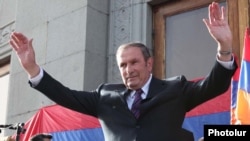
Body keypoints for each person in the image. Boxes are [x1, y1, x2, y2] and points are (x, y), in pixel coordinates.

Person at [9, 2, 237, 141]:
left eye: (134, 62)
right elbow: (65, 95)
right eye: (123, 65)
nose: (129, 70)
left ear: (149, 64)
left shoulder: (175, 89)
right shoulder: (104, 96)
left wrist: (224, 47)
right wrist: (32, 69)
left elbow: (214, 86)